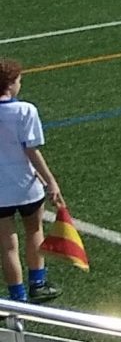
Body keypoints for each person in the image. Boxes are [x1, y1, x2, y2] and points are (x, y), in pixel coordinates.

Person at [1, 59, 68, 305]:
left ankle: (16, 296)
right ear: (10, 85)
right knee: (34, 231)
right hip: (26, 187)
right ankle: (37, 284)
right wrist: (51, 181)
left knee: (7, 245)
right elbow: (32, 151)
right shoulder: (25, 110)